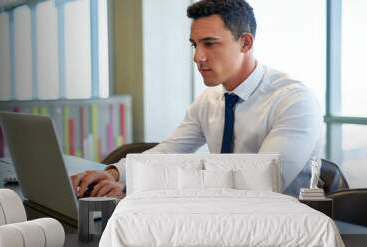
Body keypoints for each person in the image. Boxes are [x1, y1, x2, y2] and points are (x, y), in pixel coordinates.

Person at [72, 0, 323, 198]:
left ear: (245, 43)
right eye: (194, 45)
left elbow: (259, 184)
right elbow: (169, 151)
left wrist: (134, 189)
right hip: (217, 220)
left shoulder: (295, 102)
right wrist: (115, 174)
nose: (198, 57)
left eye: (210, 44)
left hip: (283, 229)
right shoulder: (210, 100)